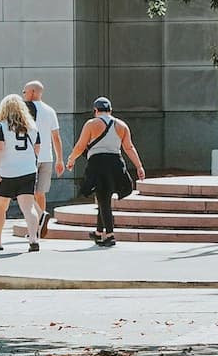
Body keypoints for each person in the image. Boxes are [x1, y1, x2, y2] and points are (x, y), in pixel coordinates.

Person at [68, 97, 145, 248]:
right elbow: (129, 147)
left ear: (95, 110)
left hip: (98, 164)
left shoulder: (91, 124)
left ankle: (109, 235)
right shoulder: (121, 125)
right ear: (110, 110)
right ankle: (98, 232)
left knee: (103, 199)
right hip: (116, 163)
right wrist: (139, 166)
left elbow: (80, 146)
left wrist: (71, 160)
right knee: (104, 198)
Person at [0, 93, 43, 253]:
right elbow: (37, 148)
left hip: (7, 172)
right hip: (27, 171)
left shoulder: (1, 126)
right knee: (28, 208)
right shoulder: (32, 126)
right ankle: (33, 239)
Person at [22, 80, 66, 235]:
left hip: (29, 157)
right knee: (40, 193)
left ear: (33, 92)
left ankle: (36, 224)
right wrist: (60, 159)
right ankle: (41, 225)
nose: (24, 94)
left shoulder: (24, 110)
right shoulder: (50, 110)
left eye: (25, 91)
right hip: (47, 156)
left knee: (26, 194)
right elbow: (56, 137)